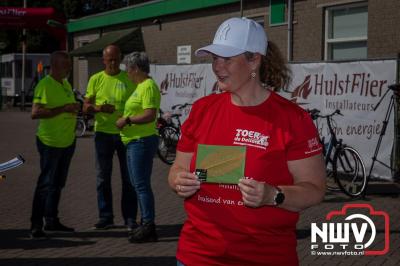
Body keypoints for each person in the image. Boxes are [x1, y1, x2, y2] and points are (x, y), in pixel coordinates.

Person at [168, 17, 326, 265]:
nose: (217, 66)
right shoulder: (202, 110)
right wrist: (178, 180)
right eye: (214, 59)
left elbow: (315, 190)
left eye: (227, 59)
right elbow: (177, 168)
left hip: (264, 257)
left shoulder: (292, 119)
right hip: (197, 256)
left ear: (255, 60)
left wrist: (274, 195)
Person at [83, 44, 137, 230]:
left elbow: (138, 104)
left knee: (128, 178)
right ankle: (106, 217)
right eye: (109, 59)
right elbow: (86, 106)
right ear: (103, 59)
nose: (113, 63)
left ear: (120, 58)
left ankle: (130, 218)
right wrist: (99, 108)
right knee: (102, 178)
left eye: (115, 59)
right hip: (103, 134)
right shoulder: (95, 79)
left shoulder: (129, 78)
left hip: (125, 135)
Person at [30, 51, 80, 239]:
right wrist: (63, 109)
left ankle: (51, 220)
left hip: (67, 142)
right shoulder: (45, 85)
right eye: (66, 65)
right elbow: (35, 113)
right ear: (56, 65)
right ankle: (36, 225)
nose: (69, 68)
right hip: (50, 143)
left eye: (69, 65)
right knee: (45, 184)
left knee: (58, 184)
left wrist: (74, 108)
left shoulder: (65, 84)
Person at [116, 52, 161, 243]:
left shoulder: (148, 86)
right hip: (135, 141)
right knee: (138, 185)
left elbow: (150, 114)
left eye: (128, 69)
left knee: (141, 185)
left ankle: (148, 225)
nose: (127, 73)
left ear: (136, 68)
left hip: (141, 141)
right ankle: (146, 224)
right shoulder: (141, 86)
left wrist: (127, 119)